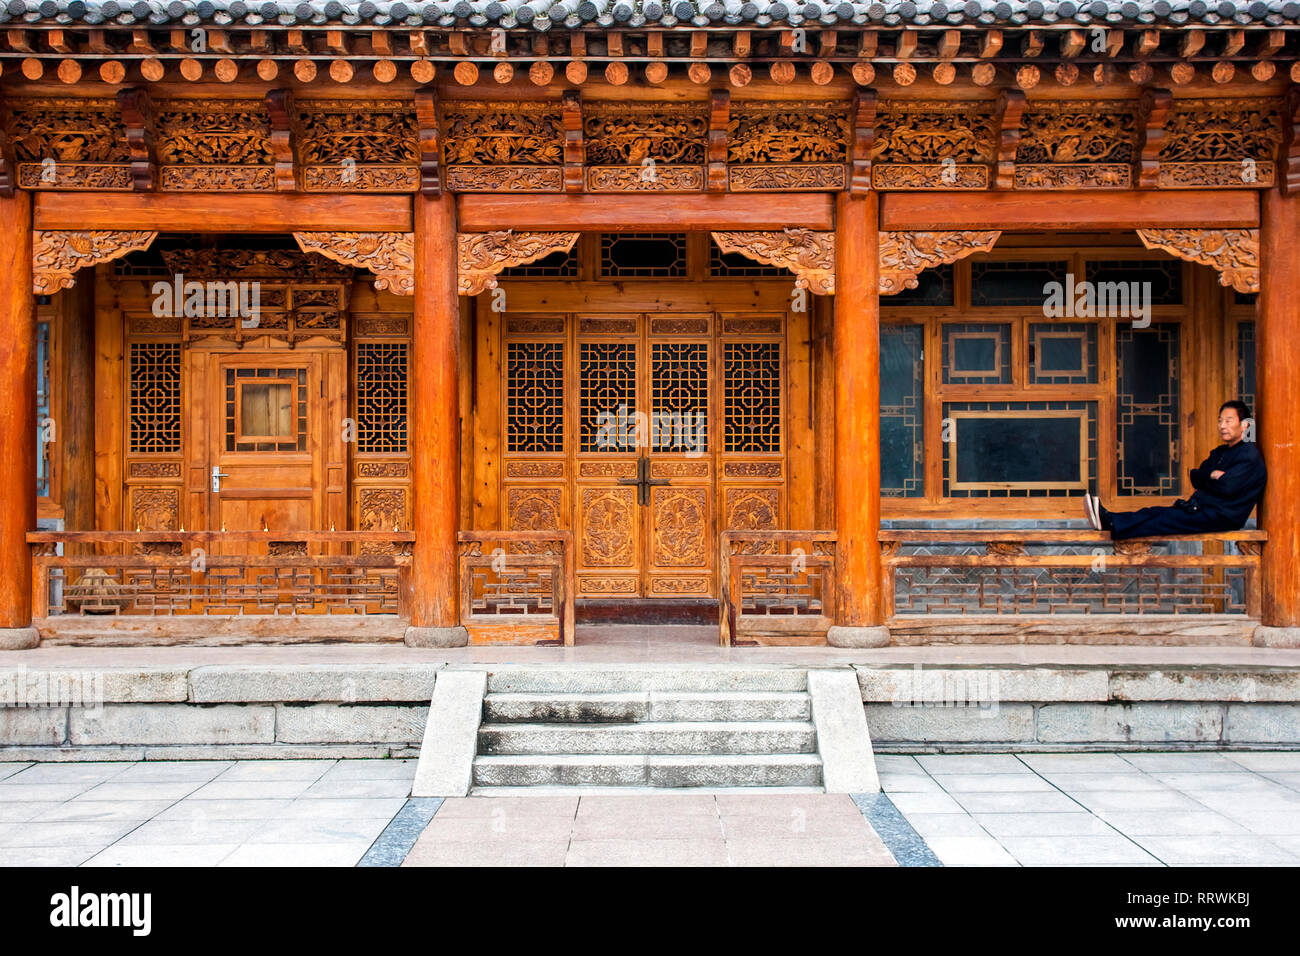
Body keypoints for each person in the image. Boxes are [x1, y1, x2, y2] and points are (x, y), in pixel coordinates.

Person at [1084, 400, 1266, 540]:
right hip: (1203, 510)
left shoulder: (1249, 455)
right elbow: (1196, 476)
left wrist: (1209, 479)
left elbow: (1227, 486)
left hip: (1222, 516)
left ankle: (1111, 523)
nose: (1222, 426)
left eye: (1228, 420)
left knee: (1163, 519)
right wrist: (1211, 475)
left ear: (1245, 425)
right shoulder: (1220, 452)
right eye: (1220, 421)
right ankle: (1109, 519)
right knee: (1155, 512)